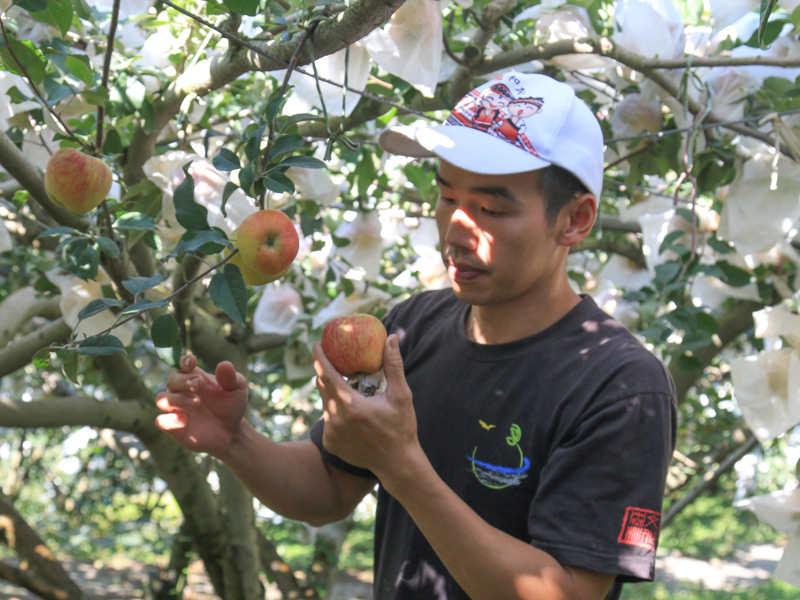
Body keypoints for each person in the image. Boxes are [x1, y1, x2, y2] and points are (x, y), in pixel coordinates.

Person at [155, 72, 677, 600]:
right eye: (447, 197)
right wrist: (236, 440)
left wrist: (402, 467)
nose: (453, 228)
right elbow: (330, 487)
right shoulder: (415, 328)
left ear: (575, 220)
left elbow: (569, 593)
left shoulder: (620, 387)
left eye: (490, 209)